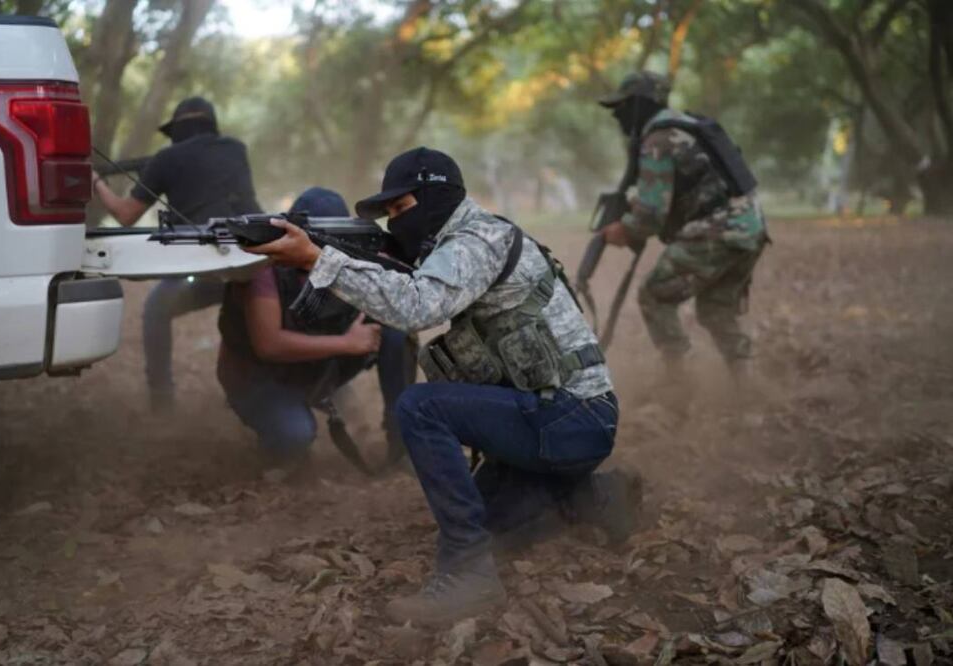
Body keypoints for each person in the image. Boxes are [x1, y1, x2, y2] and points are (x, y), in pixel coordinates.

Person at [245, 147, 622, 625]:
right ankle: (591, 494)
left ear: (436, 197)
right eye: (389, 213)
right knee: (493, 522)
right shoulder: (460, 241)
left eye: (402, 208)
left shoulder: (476, 241)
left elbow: (417, 307)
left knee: (419, 407)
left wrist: (321, 260)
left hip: (571, 417)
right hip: (559, 418)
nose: (396, 223)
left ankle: (468, 576)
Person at [216, 187, 414, 467]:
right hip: (259, 379)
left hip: (313, 365)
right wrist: (347, 344)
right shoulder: (265, 268)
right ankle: (273, 428)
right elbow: (268, 345)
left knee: (396, 332)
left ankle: (402, 442)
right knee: (295, 437)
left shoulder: (349, 258)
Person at [92, 96, 263, 411]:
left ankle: (162, 400)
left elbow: (126, 214)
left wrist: (97, 183)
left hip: (205, 265)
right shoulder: (236, 149)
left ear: (179, 129)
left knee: (156, 311)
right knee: (262, 313)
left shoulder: (166, 159)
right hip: (253, 263)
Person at [597, 72, 768, 380]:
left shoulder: (658, 139)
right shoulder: (687, 125)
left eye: (621, 107)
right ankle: (748, 383)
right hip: (751, 229)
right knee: (716, 310)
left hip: (718, 231)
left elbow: (651, 216)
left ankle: (680, 382)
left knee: (654, 295)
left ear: (639, 105)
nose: (616, 115)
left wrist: (623, 230)